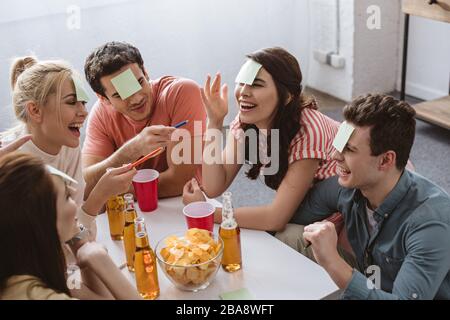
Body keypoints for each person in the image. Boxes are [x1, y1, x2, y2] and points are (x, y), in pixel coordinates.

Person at [292, 94, 450, 299]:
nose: (334, 156)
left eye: (348, 149)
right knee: (290, 234)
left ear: (385, 160)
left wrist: (332, 260)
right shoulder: (347, 187)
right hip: (371, 277)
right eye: (338, 144)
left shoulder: (431, 222)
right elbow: (288, 218)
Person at [183, 47, 340, 232]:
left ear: (287, 96)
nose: (243, 92)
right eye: (241, 83)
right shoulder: (246, 120)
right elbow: (213, 187)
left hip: (337, 203)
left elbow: (274, 219)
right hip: (304, 198)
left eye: (256, 84)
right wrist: (214, 122)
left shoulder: (308, 130)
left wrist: (208, 212)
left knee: (281, 235)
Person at [4, 56, 137, 236]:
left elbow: (81, 240)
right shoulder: (12, 167)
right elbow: (55, 251)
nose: (84, 112)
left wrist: (99, 196)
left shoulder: (68, 146)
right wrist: (98, 196)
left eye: (83, 102)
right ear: (35, 110)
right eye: (71, 102)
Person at [0, 152, 141, 300]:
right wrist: (102, 261)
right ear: (43, 223)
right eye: (67, 196)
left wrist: (81, 246)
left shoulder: (24, 273)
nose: (74, 202)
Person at [82, 41, 206, 198]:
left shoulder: (181, 92)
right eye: (120, 95)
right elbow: (86, 183)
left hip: (185, 205)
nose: (136, 99)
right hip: (133, 209)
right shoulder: (101, 113)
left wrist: (109, 190)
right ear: (103, 98)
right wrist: (132, 150)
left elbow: (180, 182)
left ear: (145, 72)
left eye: (139, 82)